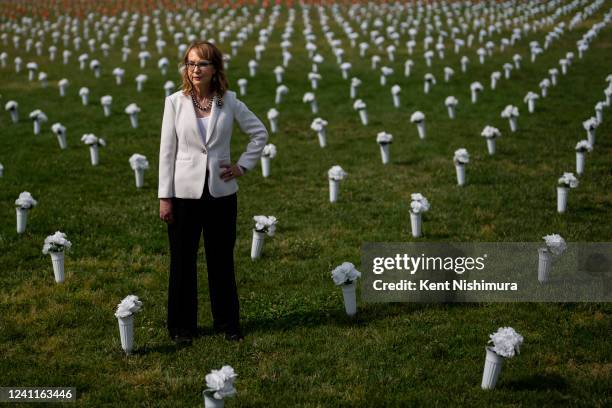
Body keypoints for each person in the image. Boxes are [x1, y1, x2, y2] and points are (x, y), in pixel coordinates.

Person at [158, 41, 268, 344]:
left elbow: (259, 132)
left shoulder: (229, 101)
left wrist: (242, 166)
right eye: (190, 63)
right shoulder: (174, 102)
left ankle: (228, 324)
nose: (195, 69)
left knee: (221, 260)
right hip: (183, 196)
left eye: (202, 64)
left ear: (215, 68)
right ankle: (182, 328)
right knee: (182, 261)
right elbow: (166, 152)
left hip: (221, 194)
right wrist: (164, 196)